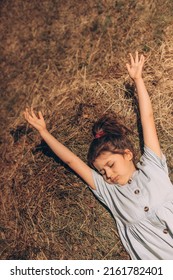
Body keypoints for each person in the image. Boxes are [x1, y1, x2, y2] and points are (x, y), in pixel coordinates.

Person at [24, 52, 173, 260]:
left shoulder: (152, 167)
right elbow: (72, 161)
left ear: (128, 154)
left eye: (110, 165)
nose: (108, 174)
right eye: (102, 171)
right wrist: (44, 133)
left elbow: (148, 119)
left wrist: (138, 79)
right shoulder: (109, 192)